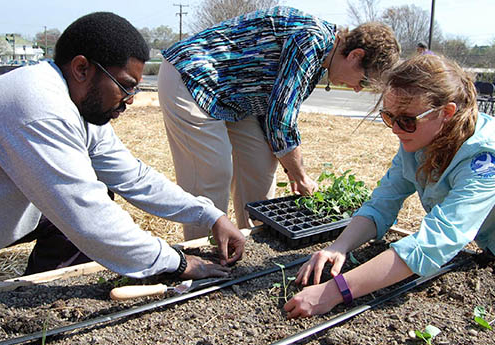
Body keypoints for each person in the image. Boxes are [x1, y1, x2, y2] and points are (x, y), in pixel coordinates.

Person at [0, 12, 245, 303]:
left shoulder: (78, 105)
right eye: (125, 85)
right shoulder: (37, 105)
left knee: (98, 196)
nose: (130, 99)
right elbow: (85, 214)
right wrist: (177, 262)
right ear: (82, 69)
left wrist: (209, 214)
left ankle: (34, 295)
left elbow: (133, 176)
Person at [284, 54, 495, 318]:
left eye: (406, 120)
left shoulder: (489, 156)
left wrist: (335, 292)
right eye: (388, 116)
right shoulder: (418, 139)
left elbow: (438, 241)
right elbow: (382, 203)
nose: (394, 129)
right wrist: (340, 246)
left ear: (446, 113)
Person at [158, 7, 400, 239]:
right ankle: (204, 254)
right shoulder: (312, 40)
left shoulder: (321, 57)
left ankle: (255, 243)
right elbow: (281, 118)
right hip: (193, 77)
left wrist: (290, 168)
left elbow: (275, 110)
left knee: (262, 164)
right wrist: (301, 176)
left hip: (236, 96)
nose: (358, 89)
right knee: (213, 173)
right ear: (355, 55)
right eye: (365, 81)